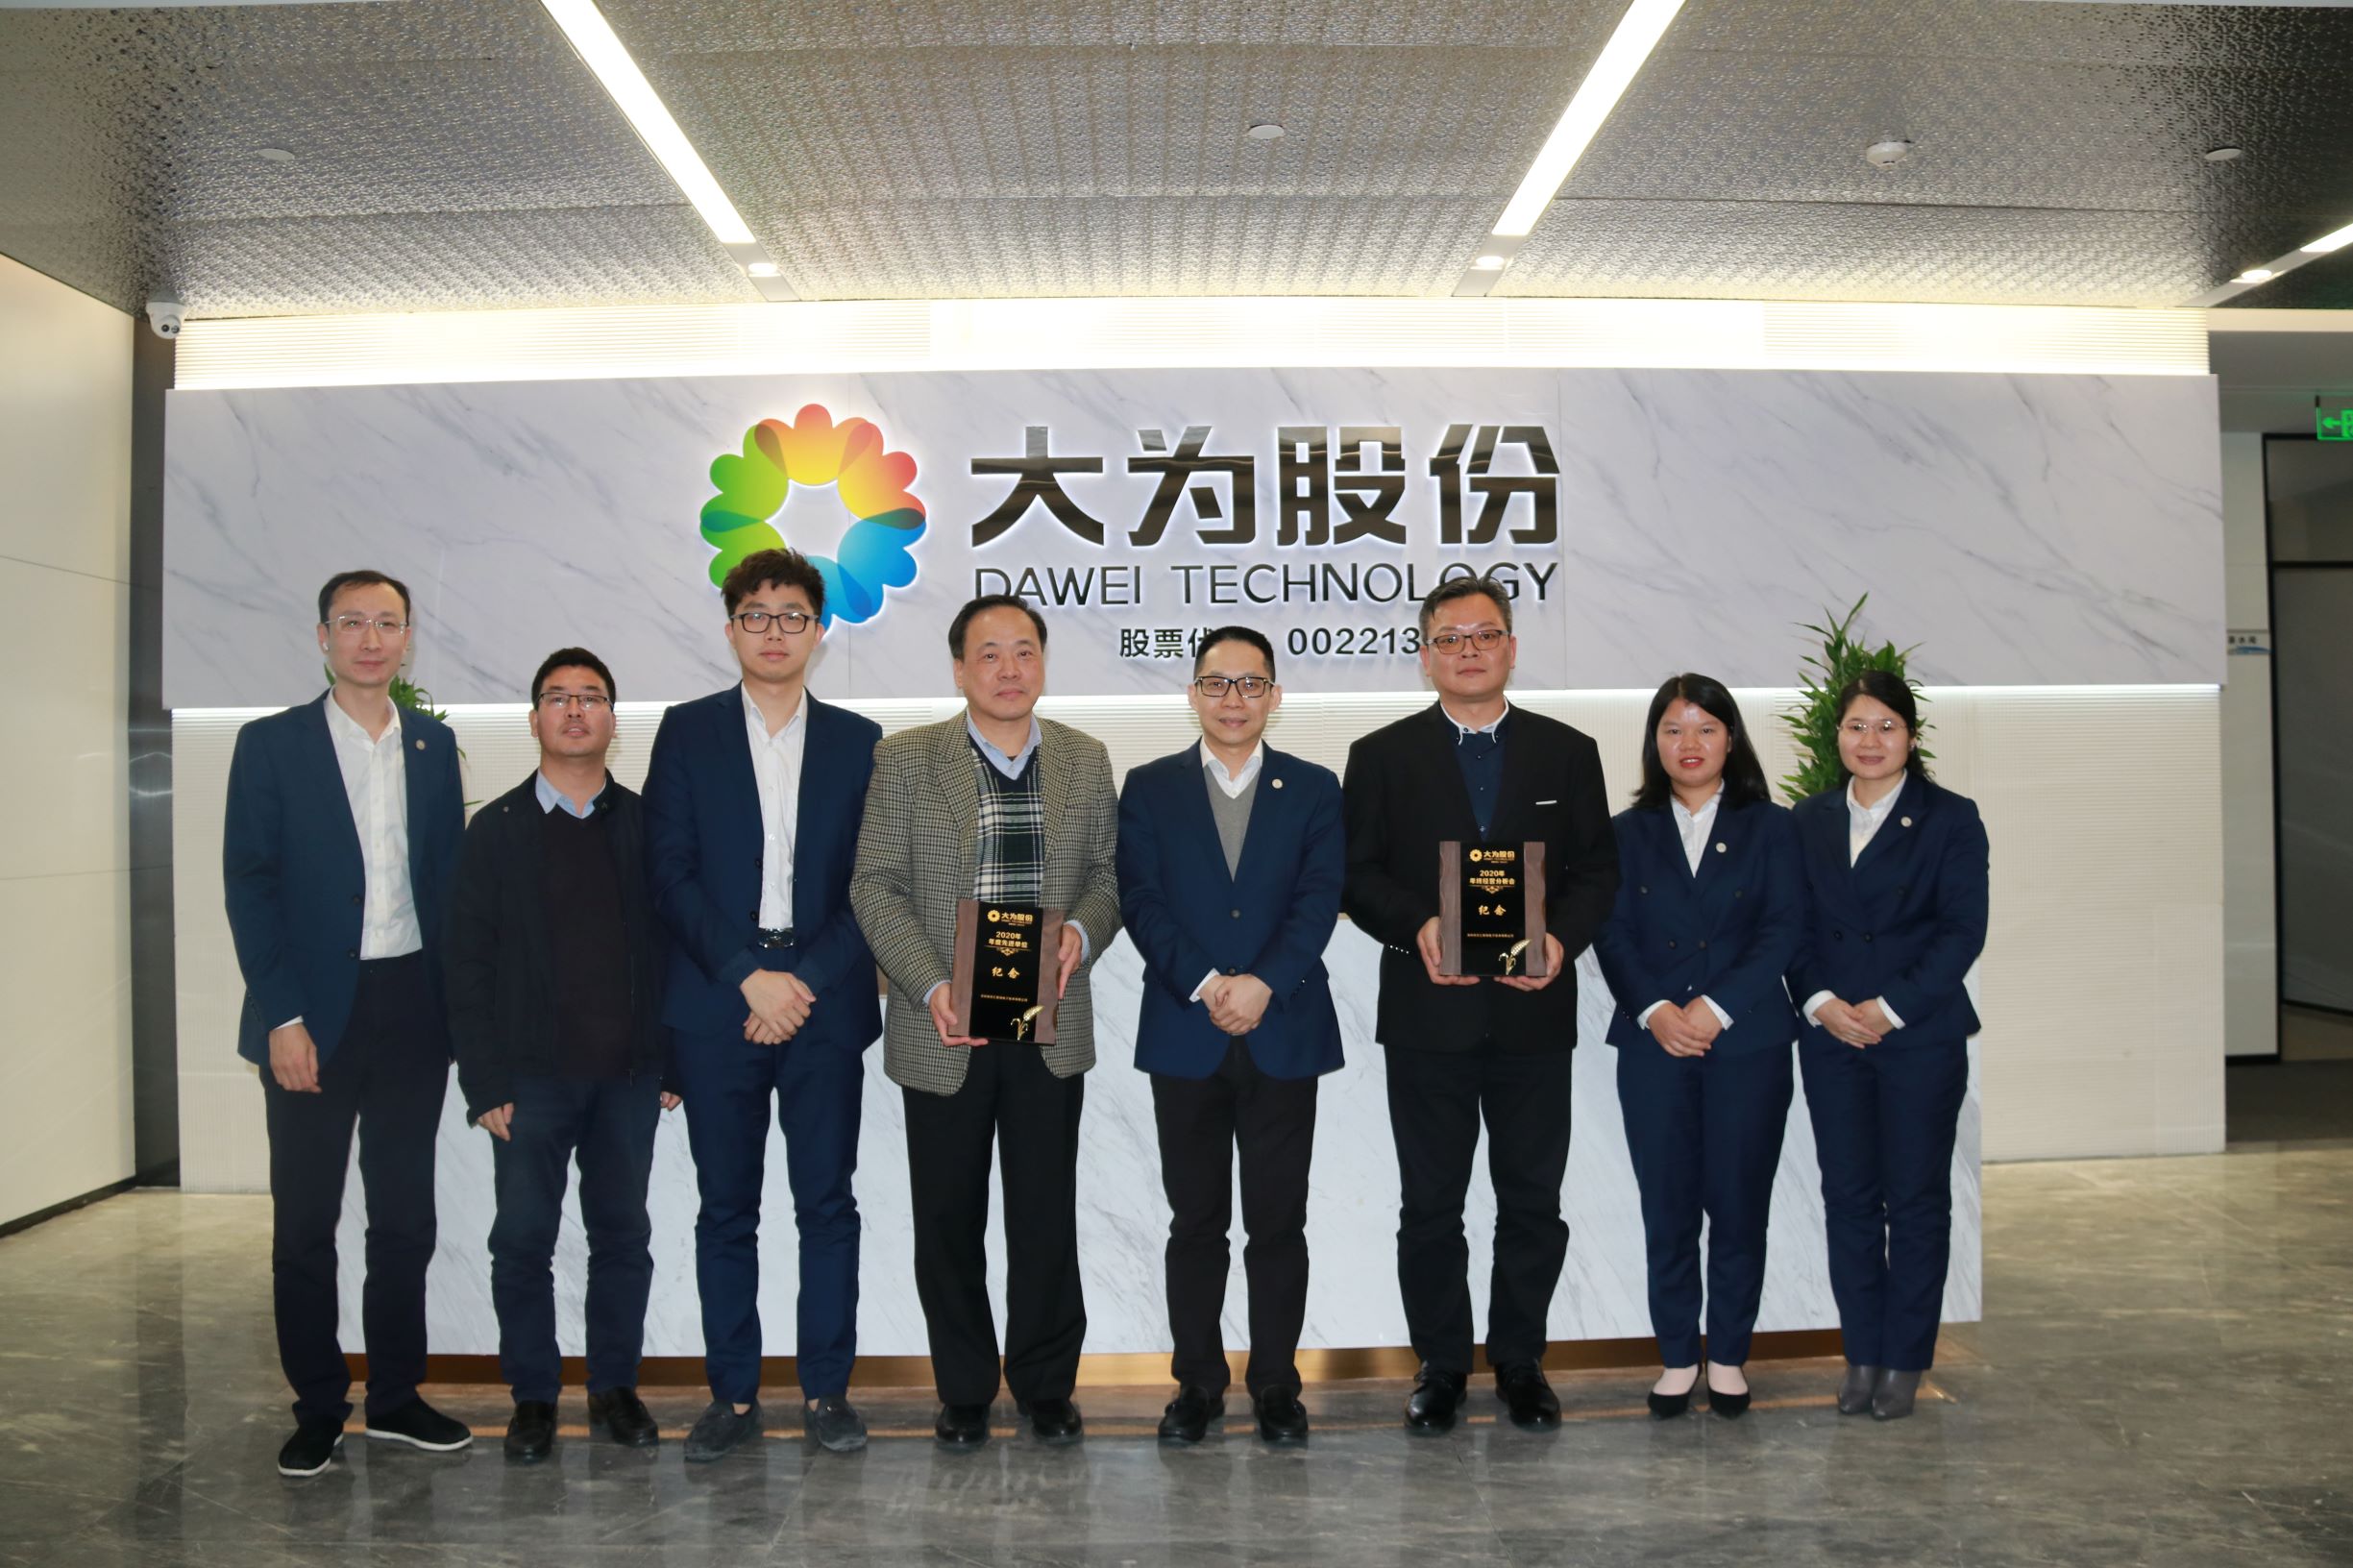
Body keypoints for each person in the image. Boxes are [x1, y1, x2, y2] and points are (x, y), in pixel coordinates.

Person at [1339, 576, 1619, 1433]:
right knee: (1431, 1203)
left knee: (1531, 1199)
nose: (1468, 650)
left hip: (1534, 1016)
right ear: (1424, 655)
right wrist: (1418, 924)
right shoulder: (1381, 755)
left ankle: (1521, 1361)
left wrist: (1560, 940)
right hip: (1429, 1014)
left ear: (1511, 648)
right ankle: (1441, 1364)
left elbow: (1597, 871)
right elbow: (1355, 874)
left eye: (1485, 635)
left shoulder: (1566, 751)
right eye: (1450, 638)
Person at [849, 595, 1121, 1449]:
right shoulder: (905, 758)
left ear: (1043, 662)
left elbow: (1108, 876)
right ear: (959, 669)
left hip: (1049, 1027)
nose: (1009, 669)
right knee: (947, 1218)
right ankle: (963, 1388)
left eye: (1024, 651)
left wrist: (1080, 934)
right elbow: (874, 884)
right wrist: (930, 984)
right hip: (944, 1029)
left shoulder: (1084, 758)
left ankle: (1045, 1386)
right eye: (990, 654)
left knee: (1045, 1216)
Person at [222, 569, 470, 1477]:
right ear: (323, 636)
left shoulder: (433, 746)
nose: (371, 639)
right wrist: (281, 1015)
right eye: (353, 622)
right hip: (310, 1014)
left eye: (387, 623)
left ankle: (395, 1396)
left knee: (404, 1218)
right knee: (305, 1225)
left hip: (411, 1008)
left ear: (407, 639)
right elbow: (249, 886)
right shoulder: (270, 744)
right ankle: (319, 1405)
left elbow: (447, 885)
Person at [643, 548, 883, 1460]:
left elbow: (874, 882)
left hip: (823, 1001)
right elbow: (668, 874)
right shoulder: (686, 732)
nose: (774, 632)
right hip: (719, 1002)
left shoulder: (861, 741)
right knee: (725, 1210)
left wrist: (802, 981)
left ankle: (827, 1392)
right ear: (730, 627)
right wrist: (749, 976)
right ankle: (732, 1396)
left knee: (827, 1205)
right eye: (756, 614)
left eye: (792, 616)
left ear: (820, 631)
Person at [445, 649, 676, 1461]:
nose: (575, 710)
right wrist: (483, 1081)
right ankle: (533, 1398)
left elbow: (676, 948)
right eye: (558, 697)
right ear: (534, 718)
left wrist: (673, 1060)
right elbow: (465, 963)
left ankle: (614, 1388)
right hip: (529, 1080)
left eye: (591, 697)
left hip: (627, 1078)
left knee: (622, 1239)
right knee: (521, 1243)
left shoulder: (649, 826)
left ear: (613, 719)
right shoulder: (495, 831)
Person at [1116, 625, 1344, 1446]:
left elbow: (1318, 899)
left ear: (1273, 696)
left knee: (1278, 1223)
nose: (1233, 699)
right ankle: (1197, 1384)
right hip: (1187, 1030)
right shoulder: (1149, 787)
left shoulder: (1314, 787)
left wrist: (1262, 983)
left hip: (1283, 1029)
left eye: (1250, 684)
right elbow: (1140, 900)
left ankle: (1277, 1384)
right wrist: (1211, 984)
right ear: (1193, 694)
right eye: (1216, 683)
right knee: (1195, 1223)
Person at [1590, 674, 1802, 1420]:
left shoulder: (1771, 827)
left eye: (1706, 728)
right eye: (1673, 729)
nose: (1689, 744)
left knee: (1739, 1206)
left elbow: (1782, 928)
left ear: (1730, 740)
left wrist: (1714, 1008)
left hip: (1747, 1042)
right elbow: (1610, 930)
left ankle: (1731, 1356)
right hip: (1653, 1046)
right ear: (1653, 742)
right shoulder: (1624, 831)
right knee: (1668, 1208)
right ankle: (1679, 1356)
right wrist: (1653, 1009)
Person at [1788, 670, 1989, 1422]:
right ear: (1835, 736)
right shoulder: (1806, 819)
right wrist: (1818, 1001)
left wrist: (1890, 1008)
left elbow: (1961, 932)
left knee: (1913, 1199)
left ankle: (1905, 1359)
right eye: (1855, 727)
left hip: (1918, 1036)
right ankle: (1861, 1355)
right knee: (1846, 1198)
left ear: (1910, 736)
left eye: (1885, 727)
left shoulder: (1950, 818)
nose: (1869, 741)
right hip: (1832, 1034)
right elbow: (1788, 925)